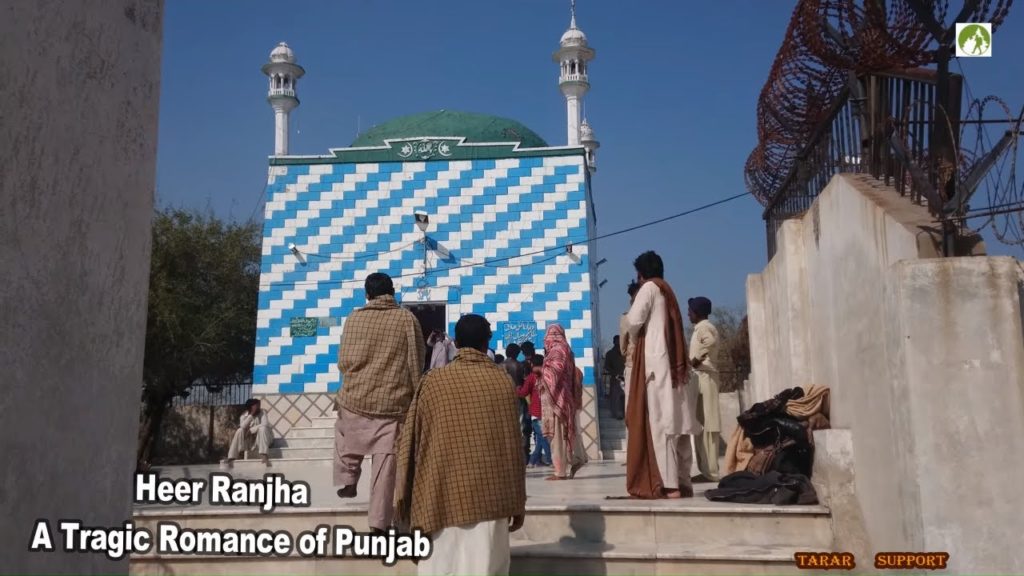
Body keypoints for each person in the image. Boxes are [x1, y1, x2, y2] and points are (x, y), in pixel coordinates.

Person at [394, 314, 526, 576]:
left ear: (455, 342)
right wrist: (517, 500)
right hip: (491, 500)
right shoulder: (502, 383)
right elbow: (513, 450)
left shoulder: (432, 382)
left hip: (439, 497)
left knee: (443, 565)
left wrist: (404, 498)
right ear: (486, 341)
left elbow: (408, 443)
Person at [334, 272, 425, 534]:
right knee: (386, 466)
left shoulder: (354, 318)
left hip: (354, 398)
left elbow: (343, 360)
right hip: (392, 404)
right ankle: (379, 523)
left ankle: (349, 477)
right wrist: (415, 392)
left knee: (343, 432)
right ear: (392, 292)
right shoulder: (406, 318)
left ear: (367, 294)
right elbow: (416, 359)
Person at [624, 251, 700, 499]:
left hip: (656, 367)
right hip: (674, 367)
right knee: (677, 426)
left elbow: (634, 320)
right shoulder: (668, 290)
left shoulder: (649, 289)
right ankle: (683, 481)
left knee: (661, 426)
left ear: (641, 274)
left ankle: (669, 485)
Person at [539, 325, 588, 481]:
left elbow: (555, 370)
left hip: (557, 400)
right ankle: (577, 459)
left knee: (557, 436)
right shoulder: (566, 349)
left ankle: (560, 472)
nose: (546, 340)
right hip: (563, 398)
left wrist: (540, 371)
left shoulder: (558, 350)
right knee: (565, 434)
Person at [688, 296, 722, 483]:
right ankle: (706, 470)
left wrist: (697, 358)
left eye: (690, 310)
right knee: (701, 425)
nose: (688, 314)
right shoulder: (699, 329)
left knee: (709, 425)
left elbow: (709, 342)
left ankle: (711, 471)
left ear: (697, 312)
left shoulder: (705, 327)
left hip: (706, 376)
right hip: (699, 376)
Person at [517, 354, 552, 467]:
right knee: (541, 437)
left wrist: (516, 389)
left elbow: (523, 392)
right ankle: (533, 461)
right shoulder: (548, 376)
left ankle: (550, 460)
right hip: (547, 410)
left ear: (532, 364)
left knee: (542, 437)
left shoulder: (532, 377)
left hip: (536, 412)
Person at [221, 399, 273, 468]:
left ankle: (264, 455)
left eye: (259, 405)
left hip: (265, 440)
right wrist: (251, 415)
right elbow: (242, 426)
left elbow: (265, 424)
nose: (258, 407)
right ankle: (231, 457)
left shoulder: (262, 412)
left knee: (262, 429)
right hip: (251, 443)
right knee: (239, 431)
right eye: (256, 405)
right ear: (251, 407)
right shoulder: (243, 416)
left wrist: (251, 430)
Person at [501, 343, 531, 462]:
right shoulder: (518, 365)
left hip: (503, 399)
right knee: (522, 427)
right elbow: (522, 383)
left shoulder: (499, 365)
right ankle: (523, 455)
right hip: (518, 399)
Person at [604, 336, 625, 419]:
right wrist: (615, 374)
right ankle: (616, 414)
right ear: (614, 342)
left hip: (625, 378)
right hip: (615, 378)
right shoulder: (609, 353)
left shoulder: (624, 352)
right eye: (617, 341)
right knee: (615, 397)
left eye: (620, 341)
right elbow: (606, 366)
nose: (618, 343)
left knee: (624, 397)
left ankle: (625, 413)